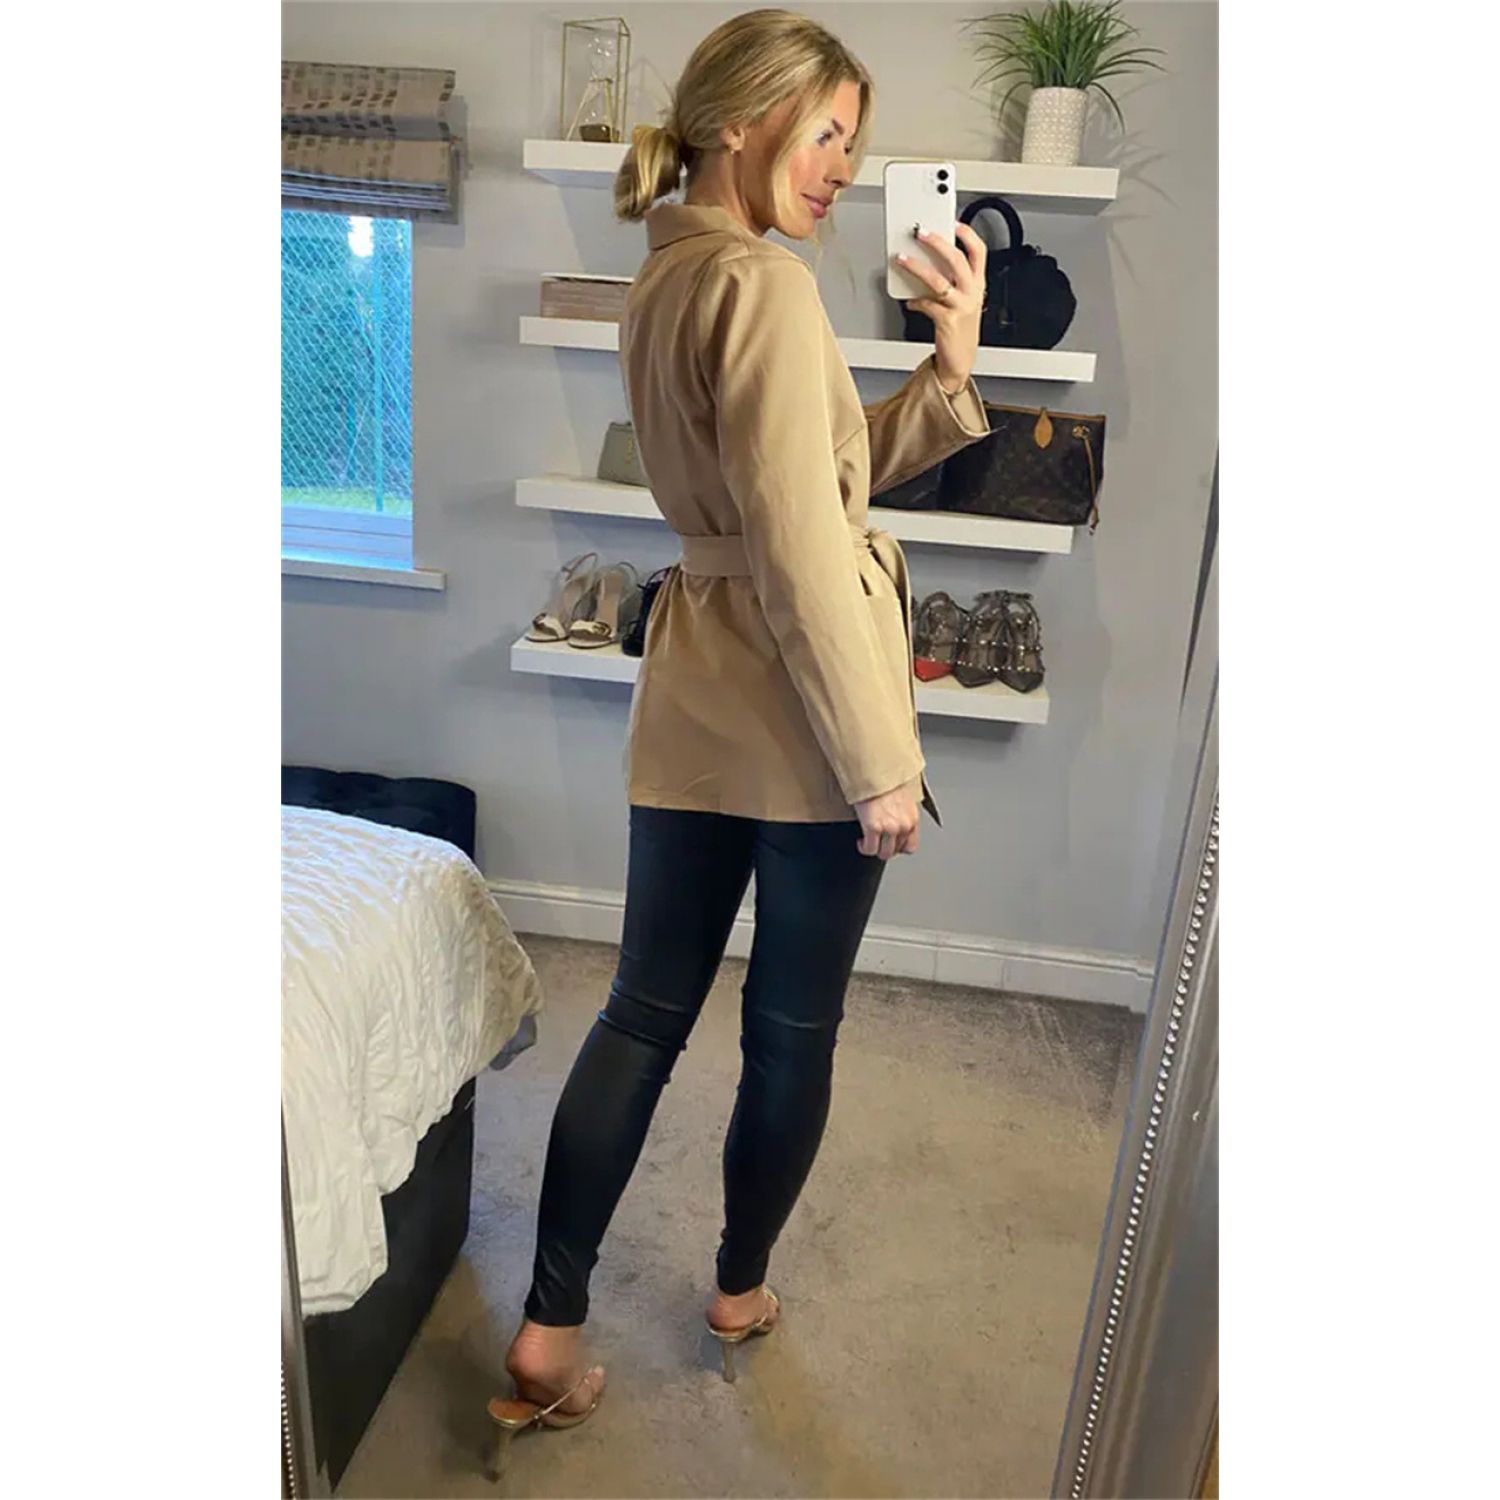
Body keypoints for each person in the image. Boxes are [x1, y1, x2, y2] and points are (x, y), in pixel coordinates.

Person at [493, 6, 989, 1440]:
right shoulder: (764, 283)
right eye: (826, 132)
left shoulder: (668, 273)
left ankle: (547, 1326)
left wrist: (948, 371)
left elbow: (800, 487)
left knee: (643, 1012)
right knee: (791, 1031)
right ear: (738, 119)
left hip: (700, 677)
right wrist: (879, 760)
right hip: (806, 700)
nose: (841, 167)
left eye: (853, 145)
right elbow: (801, 540)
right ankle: (737, 1290)